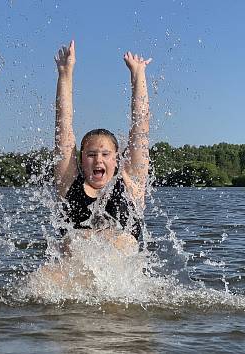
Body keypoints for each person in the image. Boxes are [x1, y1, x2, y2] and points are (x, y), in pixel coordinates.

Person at [54, 40, 152, 253]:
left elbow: (141, 129)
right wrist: (65, 74)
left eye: (105, 154)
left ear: (116, 158)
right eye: (91, 154)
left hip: (119, 278)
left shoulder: (131, 183)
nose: (98, 160)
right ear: (81, 159)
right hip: (72, 278)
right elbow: (63, 129)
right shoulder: (69, 184)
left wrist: (138, 75)